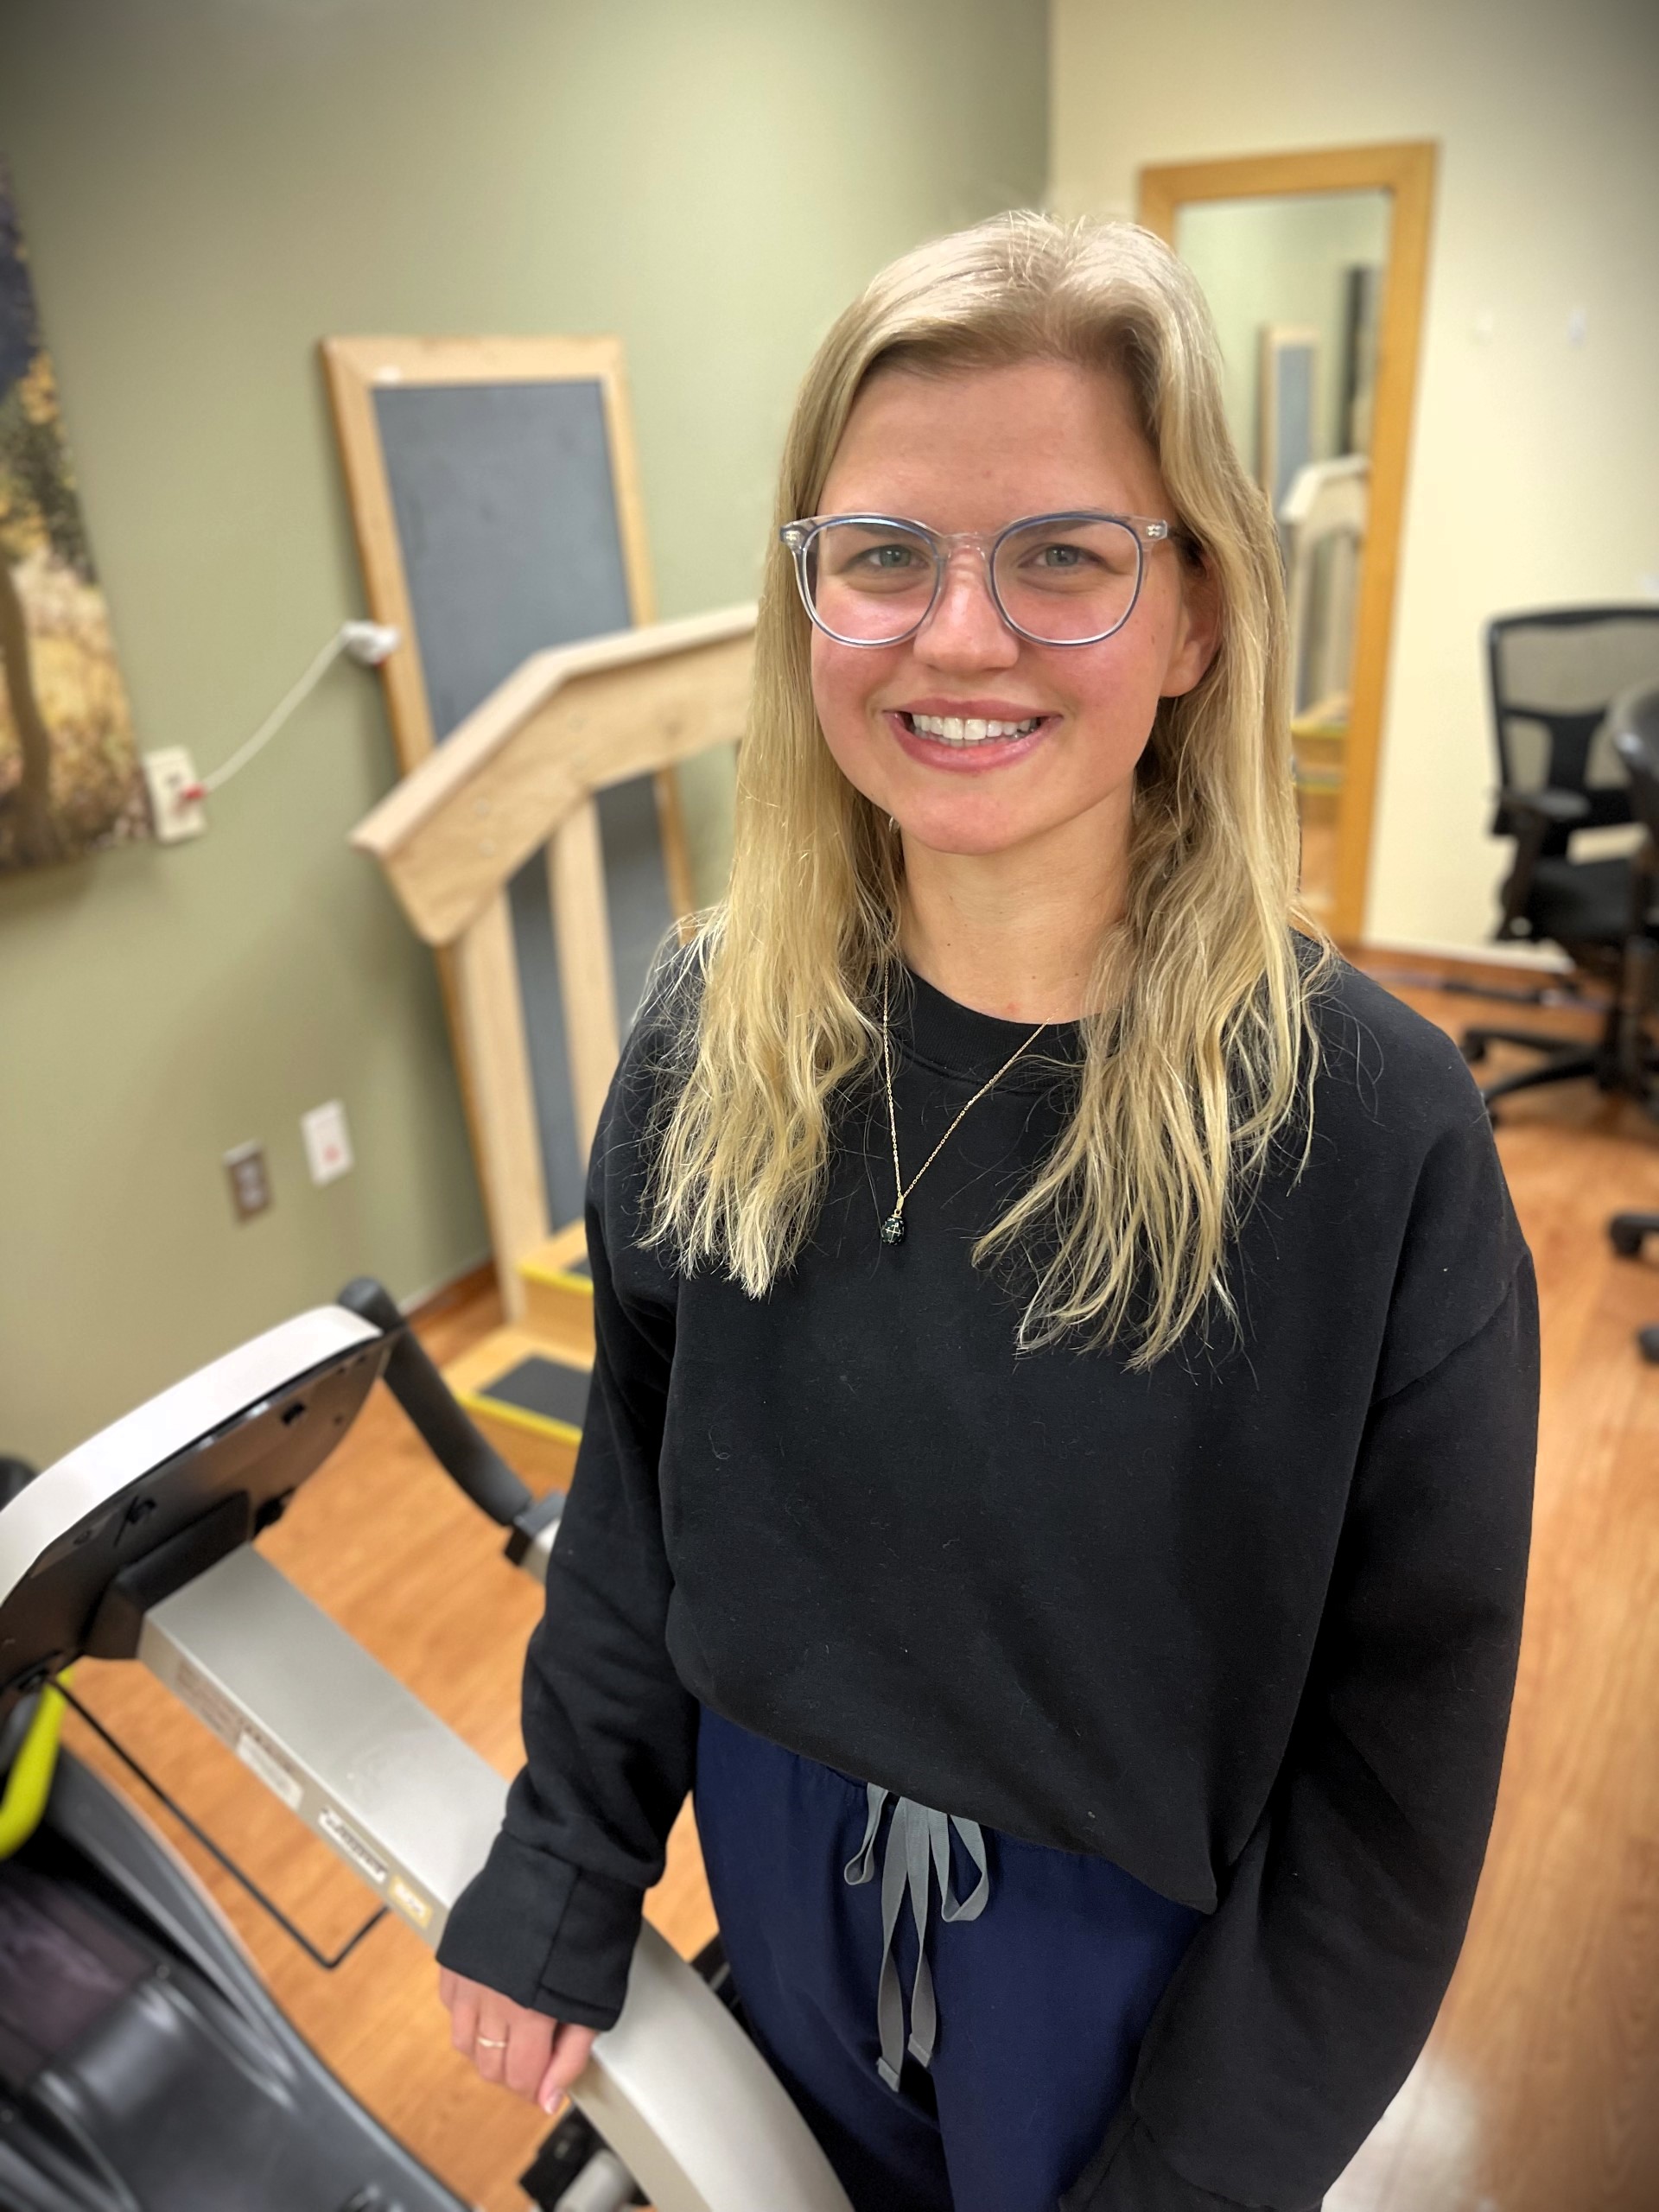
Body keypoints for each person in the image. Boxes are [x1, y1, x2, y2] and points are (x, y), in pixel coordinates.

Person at [435, 213, 1537, 2212]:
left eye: (1063, 554)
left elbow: (1395, 1780)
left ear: (1195, 613)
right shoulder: (712, 1035)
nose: (959, 636)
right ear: (809, 601)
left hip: (1135, 1993)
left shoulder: (1372, 1132)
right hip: (776, 1892)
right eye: (884, 556)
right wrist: (572, 1851)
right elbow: (638, 1488)